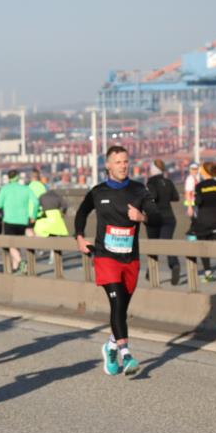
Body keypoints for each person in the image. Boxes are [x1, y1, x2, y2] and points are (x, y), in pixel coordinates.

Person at [74, 145, 150, 376]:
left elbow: (157, 217)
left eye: (126, 161)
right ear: (107, 165)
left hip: (131, 259)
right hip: (105, 257)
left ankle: (110, 346)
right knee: (117, 304)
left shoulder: (139, 190)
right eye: (118, 162)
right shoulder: (98, 192)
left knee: (122, 309)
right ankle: (126, 354)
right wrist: (78, 237)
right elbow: (81, 213)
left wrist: (141, 217)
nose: (123, 165)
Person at [189, 162, 216, 283]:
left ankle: (208, 273)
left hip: (203, 220)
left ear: (204, 172)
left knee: (203, 246)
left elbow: (197, 202)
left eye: (201, 169)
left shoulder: (200, 186)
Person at [145, 158, 181, 286]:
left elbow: (153, 197)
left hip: (155, 218)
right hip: (169, 218)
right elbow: (176, 197)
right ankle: (175, 265)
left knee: (153, 245)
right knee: (167, 244)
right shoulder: (168, 181)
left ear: (153, 169)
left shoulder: (151, 182)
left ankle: (151, 271)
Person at [0, 169, 39, 274]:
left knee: (11, 245)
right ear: (18, 177)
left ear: (8, 178)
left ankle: (20, 262)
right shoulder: (26, 189)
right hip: (23, 221)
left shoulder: (4, 189)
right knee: (17, 244)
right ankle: (15, 268)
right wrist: (33, 215)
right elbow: (36, 202)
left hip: (9, 220)